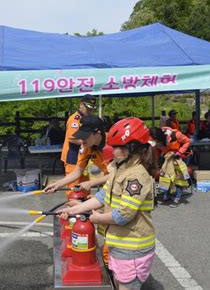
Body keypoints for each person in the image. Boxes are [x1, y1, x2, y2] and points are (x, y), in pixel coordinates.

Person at [58, 117, 157, 290]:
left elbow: (123, 215)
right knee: (118, 284)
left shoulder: (137, 176)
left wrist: (94, 217)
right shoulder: (118, 168)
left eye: (116, 147)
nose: (111, 150)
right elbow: (102, 196)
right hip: (119, 244)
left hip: (132, 247)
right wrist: (77, 209)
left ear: (131, 148)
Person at [45, 115, 110, 194]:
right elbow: (77, 172)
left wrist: (91, 183)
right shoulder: (86, 146)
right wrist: (57, 185)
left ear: (97, 134)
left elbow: (118, 174)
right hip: (110, 181)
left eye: (85, 136)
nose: (82, 140)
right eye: (81, 136)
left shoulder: (113, 144)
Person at [60, 94, 97, 190]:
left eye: (92, 108)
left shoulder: (88, 119)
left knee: (84, 188)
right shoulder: (75, 119)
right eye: (88, 107)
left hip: (84, 157)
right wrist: (90, 143)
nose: (90, 110)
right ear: (81, 105)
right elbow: (72, 139)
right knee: (74, 190)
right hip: (72, 157)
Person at [150, 127, 191, 208]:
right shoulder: (156, 141)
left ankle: (177, 198)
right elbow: (157, 151)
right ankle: (167, 195)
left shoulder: (176, 135)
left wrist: (180, 152)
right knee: (166, 176)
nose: (157, 142)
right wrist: (156, 164)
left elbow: (187, 141)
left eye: (157, 141)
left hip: (180, 157)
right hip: (168, 158)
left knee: (179, 178)